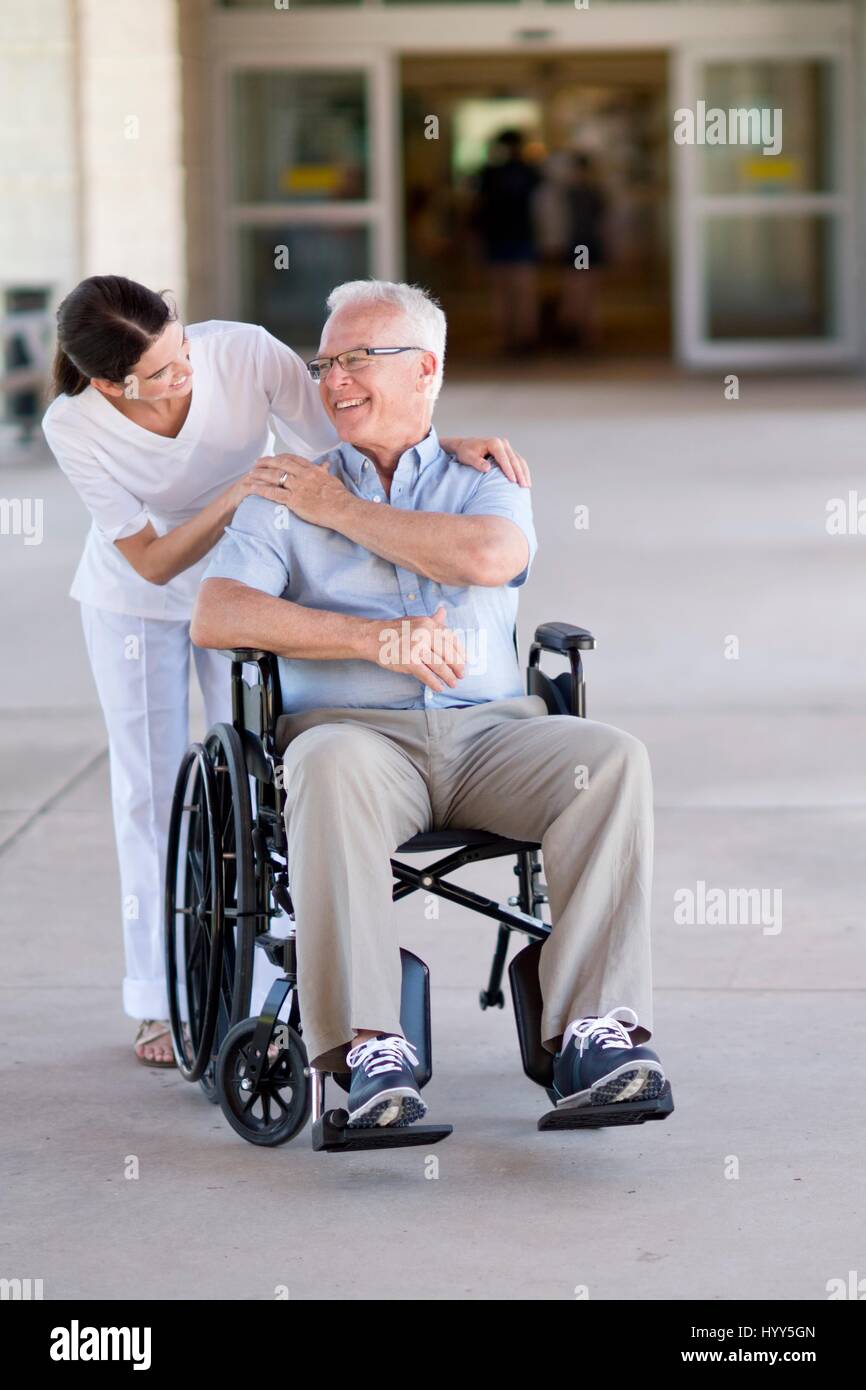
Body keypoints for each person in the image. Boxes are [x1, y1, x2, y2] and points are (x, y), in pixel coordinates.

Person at [192, 279, 667, 1129]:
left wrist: (343, 510)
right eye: (326, 362)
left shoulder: (484, 474)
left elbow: (489, 556)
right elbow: (217, 613)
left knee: (610, 757)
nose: (333, 380)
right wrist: (369, 639)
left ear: (427, 371)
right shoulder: (284, 491)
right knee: (325, 762)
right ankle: (373, 1051)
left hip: (490, 738)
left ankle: (597, 1032)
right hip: (356, 742)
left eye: (358, 359)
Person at [41, 274, 530, 1067]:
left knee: (252, 769)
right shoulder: (76, 426)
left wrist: (442, 445)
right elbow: (157, 561)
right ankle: (158, 998)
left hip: (251, 573)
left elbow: (346, 444)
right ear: (107, 384)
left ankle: (282, 959)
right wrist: (239, 490)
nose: (183, 376)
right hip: (138, 597)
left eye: (180, 350)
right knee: (149, 789)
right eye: (159, 375)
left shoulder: (242, 354)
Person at [476, 130, 542, 355]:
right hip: (518, 237)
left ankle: (510, 337)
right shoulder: (530, 173)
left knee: (503, 292)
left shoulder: (491, 173)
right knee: (522, 291)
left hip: (502, 237)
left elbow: (480, 206)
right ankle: (523, 336)